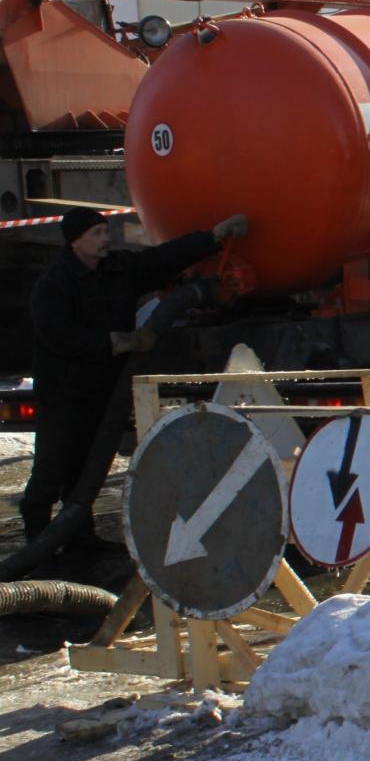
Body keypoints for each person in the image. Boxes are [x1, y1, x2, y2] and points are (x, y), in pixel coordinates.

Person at [22, 208, 248, 549]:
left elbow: (160, 260)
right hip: (63, 392)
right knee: (52, 467)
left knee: (86, 466)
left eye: (104, 231)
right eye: (96, 234)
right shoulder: (55, 283)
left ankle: (81, 538)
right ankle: (36, 544)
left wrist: (212, 236)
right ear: (75, 242)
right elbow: (59, 334)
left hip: (100, 388)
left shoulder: (116, 270)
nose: (105, 239)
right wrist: (116, 342)